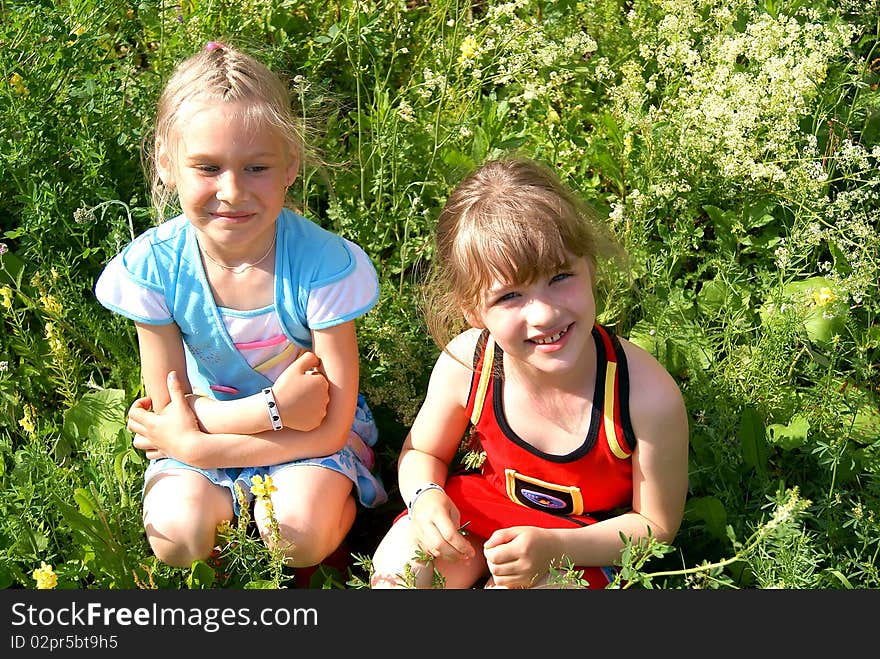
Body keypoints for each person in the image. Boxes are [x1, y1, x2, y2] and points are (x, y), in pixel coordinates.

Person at [95, 41, 386, 571]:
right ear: (166, 163)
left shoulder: (321, 265)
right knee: (177, 537)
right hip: (236, 423)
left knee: (294, 534)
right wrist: (270, 410)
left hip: (303, 441)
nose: (231, 192)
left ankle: (314, 544)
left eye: (256, 168)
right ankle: (234, 553)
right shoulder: (155, 266)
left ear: (290, 163)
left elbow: (330, 426)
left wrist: (199, 447)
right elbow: (170, 407)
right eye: (207, 167)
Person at [370, 156, 688, 589]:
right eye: (510, 297)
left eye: (560, 277)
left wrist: (555, 549)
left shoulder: (645, 396)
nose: (543, 314)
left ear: (590, 266)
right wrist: (425, 497)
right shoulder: (468, 365)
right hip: (479, 510)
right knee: (398, 574)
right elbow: (424, 453)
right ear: (472, 311)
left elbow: (654, 526)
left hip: (582, 542)